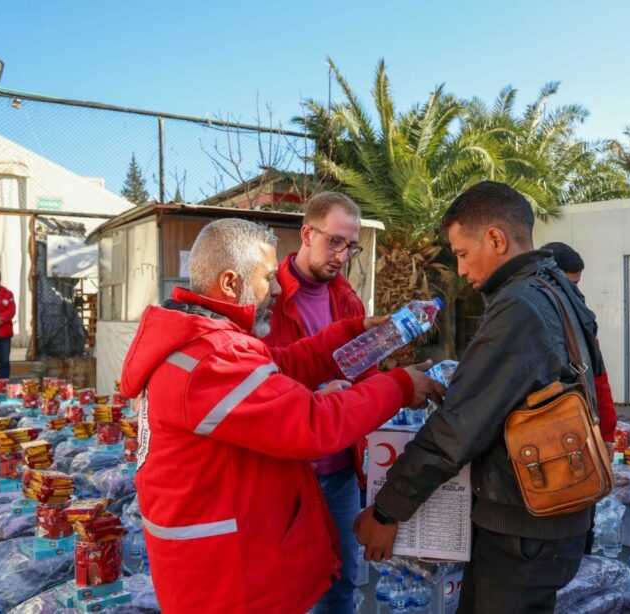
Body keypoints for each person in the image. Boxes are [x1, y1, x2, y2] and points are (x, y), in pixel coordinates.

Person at [119, 218, 442, 614]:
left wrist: (351, 333)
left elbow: (281, 366)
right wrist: (400, 387)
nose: (276, 288)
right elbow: (315, 425)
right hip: (228, 583)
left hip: (224, 566)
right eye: (269, 277)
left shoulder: (205, 342)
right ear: (230, 283)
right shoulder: (211, 361)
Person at [354, 181, 602, 612]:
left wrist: (386, 511)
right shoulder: (557, 290)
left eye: (463, 254)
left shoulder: (519, 307)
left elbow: (457, 429)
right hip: (555, 518)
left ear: (496, 239)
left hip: (521, 531)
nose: (462, 270)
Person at [261, 192, 370, 613]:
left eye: (351, 245)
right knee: (286, 590)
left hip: (341, 469)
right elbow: (259, 382)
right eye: (335, 242)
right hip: (286, 474)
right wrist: (312, 399)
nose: (343, 255)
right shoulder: (266, 295)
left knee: (342, 583)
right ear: (307, 233)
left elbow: (363, 375)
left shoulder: (347, 299)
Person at [540, 241, 619, 555]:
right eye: (570, 285)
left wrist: (609, 434)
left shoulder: (581, 320)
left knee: (579, 522)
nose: (575, 293)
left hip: (580, 440)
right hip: (548, 444)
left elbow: (599, 379)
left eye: (577, 286)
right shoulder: (532, 318)